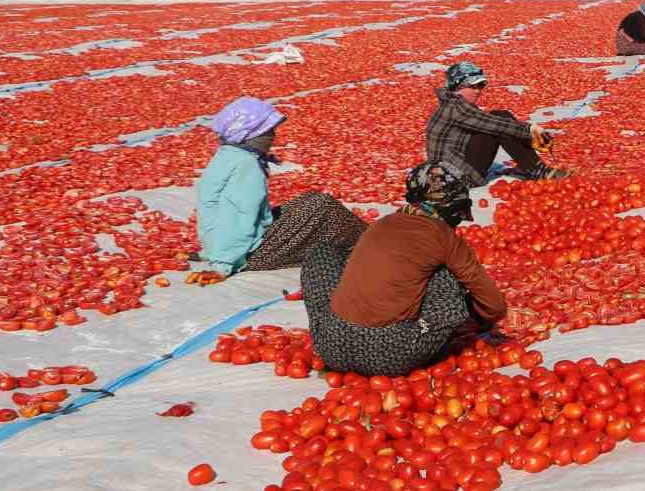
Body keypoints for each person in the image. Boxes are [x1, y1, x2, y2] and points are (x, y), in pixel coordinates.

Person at [301, 161, 508, 376]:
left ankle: (335, 332)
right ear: (452, 206)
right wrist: (476, 319)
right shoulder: (444, 238)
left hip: (331, 344)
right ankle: (423, 339)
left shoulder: (382, 224)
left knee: (322, 253)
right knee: (445, 275)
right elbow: (495, 306)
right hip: (391, 355)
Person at [195, 96, 367, 275]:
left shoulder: (227, 154)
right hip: (252, 253)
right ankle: (370, 239)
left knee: (310, 199)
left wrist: (212, 249)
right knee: (322, 206)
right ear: (250, 135)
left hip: (220, 242)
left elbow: (214, 210)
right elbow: (241, 215)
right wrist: (223, 263)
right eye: (268, 131)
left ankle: (368, 237)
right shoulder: (247, 164)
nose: (273, 136)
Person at [426, 62, 569, 185]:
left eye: (481, 85)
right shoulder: (456, 108)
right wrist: (532, 130)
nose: (478, 91)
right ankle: (535, 170)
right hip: (458, 177)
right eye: (473, 86)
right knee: (501, 124)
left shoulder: (452, 102)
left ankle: (530, 166)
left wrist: (527, 134)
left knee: (500, 119)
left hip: (451, 168)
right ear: (458, 87)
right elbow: (496, 124)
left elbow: (487, 121)